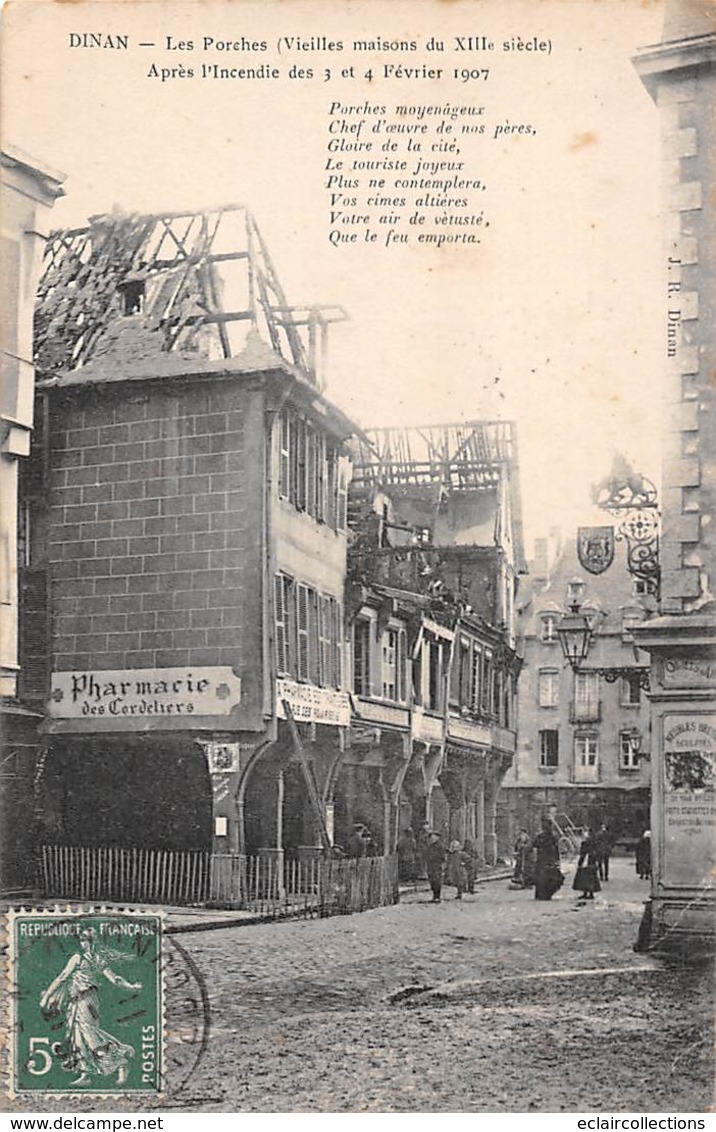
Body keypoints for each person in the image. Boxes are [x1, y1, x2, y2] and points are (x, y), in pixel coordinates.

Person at [39, 927, 141, 1087]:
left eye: (85, 939)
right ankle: (85, 1073)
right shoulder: (88, 958)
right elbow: (63, 977)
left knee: (90, 1036)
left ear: (92, 941)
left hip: (86, 1001)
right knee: (78, 1037)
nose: (83, 943)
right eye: (81, 939)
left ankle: (121, 1062)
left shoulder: (84, 958)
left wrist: (131, 987)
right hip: (77, 1001)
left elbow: (114, 979)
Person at [532, 816, 562, 901]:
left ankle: (543, 894)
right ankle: (544, 894)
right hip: (545, 859)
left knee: (544, 877)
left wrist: (557, 860)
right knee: (544, 877)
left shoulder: (547, 836)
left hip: (545, 859)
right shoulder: (550, 836)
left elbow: (535, 844)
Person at [573, 828, 602, 901]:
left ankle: (586, 893)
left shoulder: (586, 843)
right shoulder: (595, 843)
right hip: (591, 861)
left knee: (585, 877)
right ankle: (590, 893)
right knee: (590, 877)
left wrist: (580, 862)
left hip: (587, 861)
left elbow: (583, 853)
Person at [425, 832, 446, 903]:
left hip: (437, 865)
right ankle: (434, 896)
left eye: (433, 837)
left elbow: (443, 857)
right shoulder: (430, 846)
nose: (432, 839)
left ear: (437, 838)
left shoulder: (440, 846)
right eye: (431, 837)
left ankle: (437, 896)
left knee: (437, 880)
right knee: (432, 880)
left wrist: (442, 865)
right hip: (430, 866)